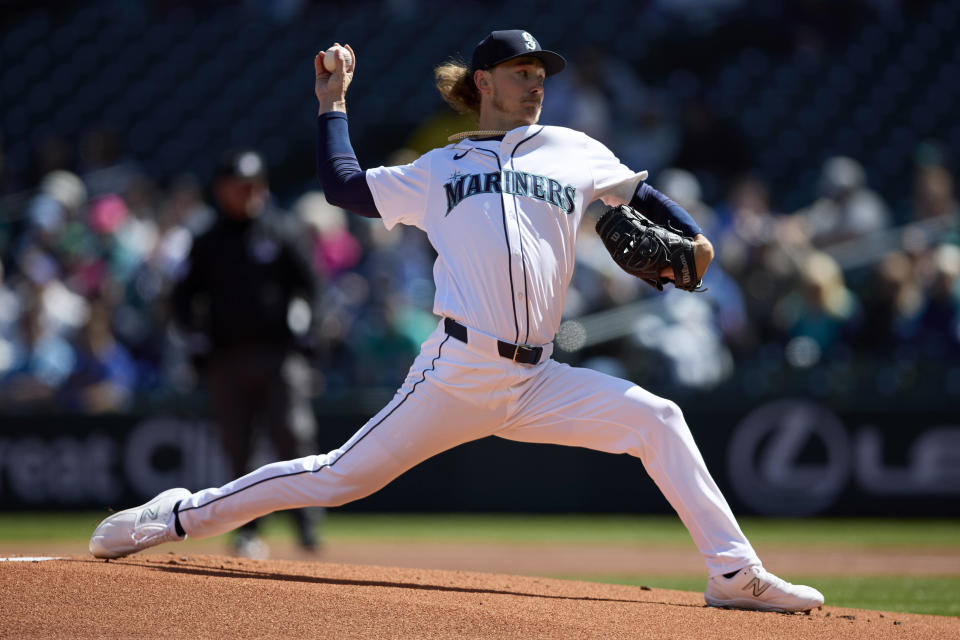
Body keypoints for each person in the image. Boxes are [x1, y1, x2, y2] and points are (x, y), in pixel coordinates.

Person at [90, 30, 823, 613]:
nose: (537, 81)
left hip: (539, 376)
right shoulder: (440, 166)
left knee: (658, 418)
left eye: (542, 72)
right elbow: (342, 187)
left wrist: (694, 240)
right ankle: (179, 515)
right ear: (483, 82)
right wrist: (333, 104)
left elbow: (643, 194)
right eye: (521, 70)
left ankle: (733, 573)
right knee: (337, 477)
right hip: (457, 370)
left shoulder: (574, 149)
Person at [168, 150, 323, 556]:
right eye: (242, 186)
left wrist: (310, 332)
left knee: (294, 437)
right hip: (227, 358)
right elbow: (182, 298)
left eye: (256, 185)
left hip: (279, 355)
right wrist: (194, 338)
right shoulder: (206, 241)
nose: (250, 193)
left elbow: (313, 287)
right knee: (239, 447)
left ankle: (306, 526)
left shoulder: (281, 231)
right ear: (222, 191)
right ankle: (248, 529)